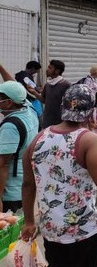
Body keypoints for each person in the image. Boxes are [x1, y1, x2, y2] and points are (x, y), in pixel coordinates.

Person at [21, 84, 97, 266]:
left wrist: (29, 221)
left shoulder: (38, 139)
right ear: (91, 111)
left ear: (63, 107)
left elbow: (28, 184)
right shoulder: (89, 140)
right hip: (84, 231)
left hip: (52, 233)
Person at [0, 81, 38, 213]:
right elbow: (17, 90)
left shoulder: (10, 127)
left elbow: (3, 164)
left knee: (9, 231)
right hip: (24, 186)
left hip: (10, 191)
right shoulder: (29, 109)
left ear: (9, 102)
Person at [42, 60, 72, 129]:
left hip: (60, 124)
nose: (47, 70)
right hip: (47, 122)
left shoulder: (66, 85)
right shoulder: (47, 84)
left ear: (57, 71)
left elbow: (71, 104)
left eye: (50, 68)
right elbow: (44, 100)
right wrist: (33, 92)